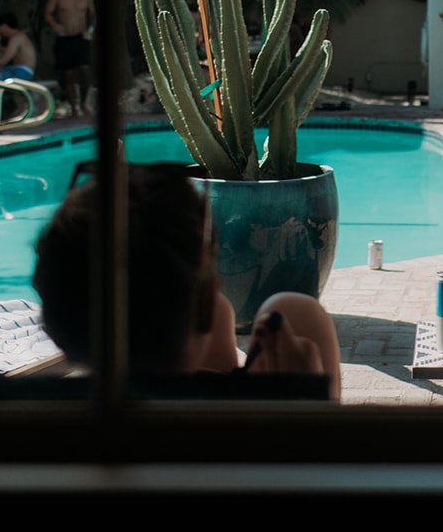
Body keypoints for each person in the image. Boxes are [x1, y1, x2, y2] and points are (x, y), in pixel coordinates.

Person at [31, 163, 341, 397]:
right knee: (294, 309)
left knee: (222, 309)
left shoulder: (20, 419)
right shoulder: (273, 425)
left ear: (53, 324)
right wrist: (301, 396)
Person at [44, 0, 95, 117]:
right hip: (65, 37)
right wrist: (55, 26)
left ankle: (84, 102)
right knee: (69, 75)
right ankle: (74, 107)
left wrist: (90, 31)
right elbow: (48, 13)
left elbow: (93, 16)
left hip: (81, 37)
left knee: (85, 71)